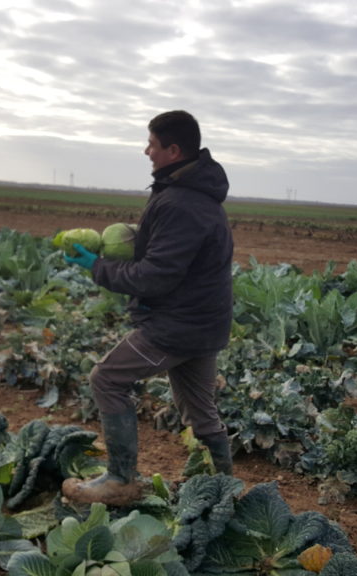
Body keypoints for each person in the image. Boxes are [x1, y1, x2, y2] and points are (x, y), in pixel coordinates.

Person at [61, 110, 235, 507]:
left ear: (173, 150)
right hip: (203, 322)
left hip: (177, 324)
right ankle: (226, 490)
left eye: (152, 145)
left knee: (106, 379)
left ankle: (121, 480)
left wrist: (98, 267)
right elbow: (175, 253)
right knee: (199, 408)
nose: (147, 151)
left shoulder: (181, 202)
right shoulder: (195, 196)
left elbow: (155, 276)